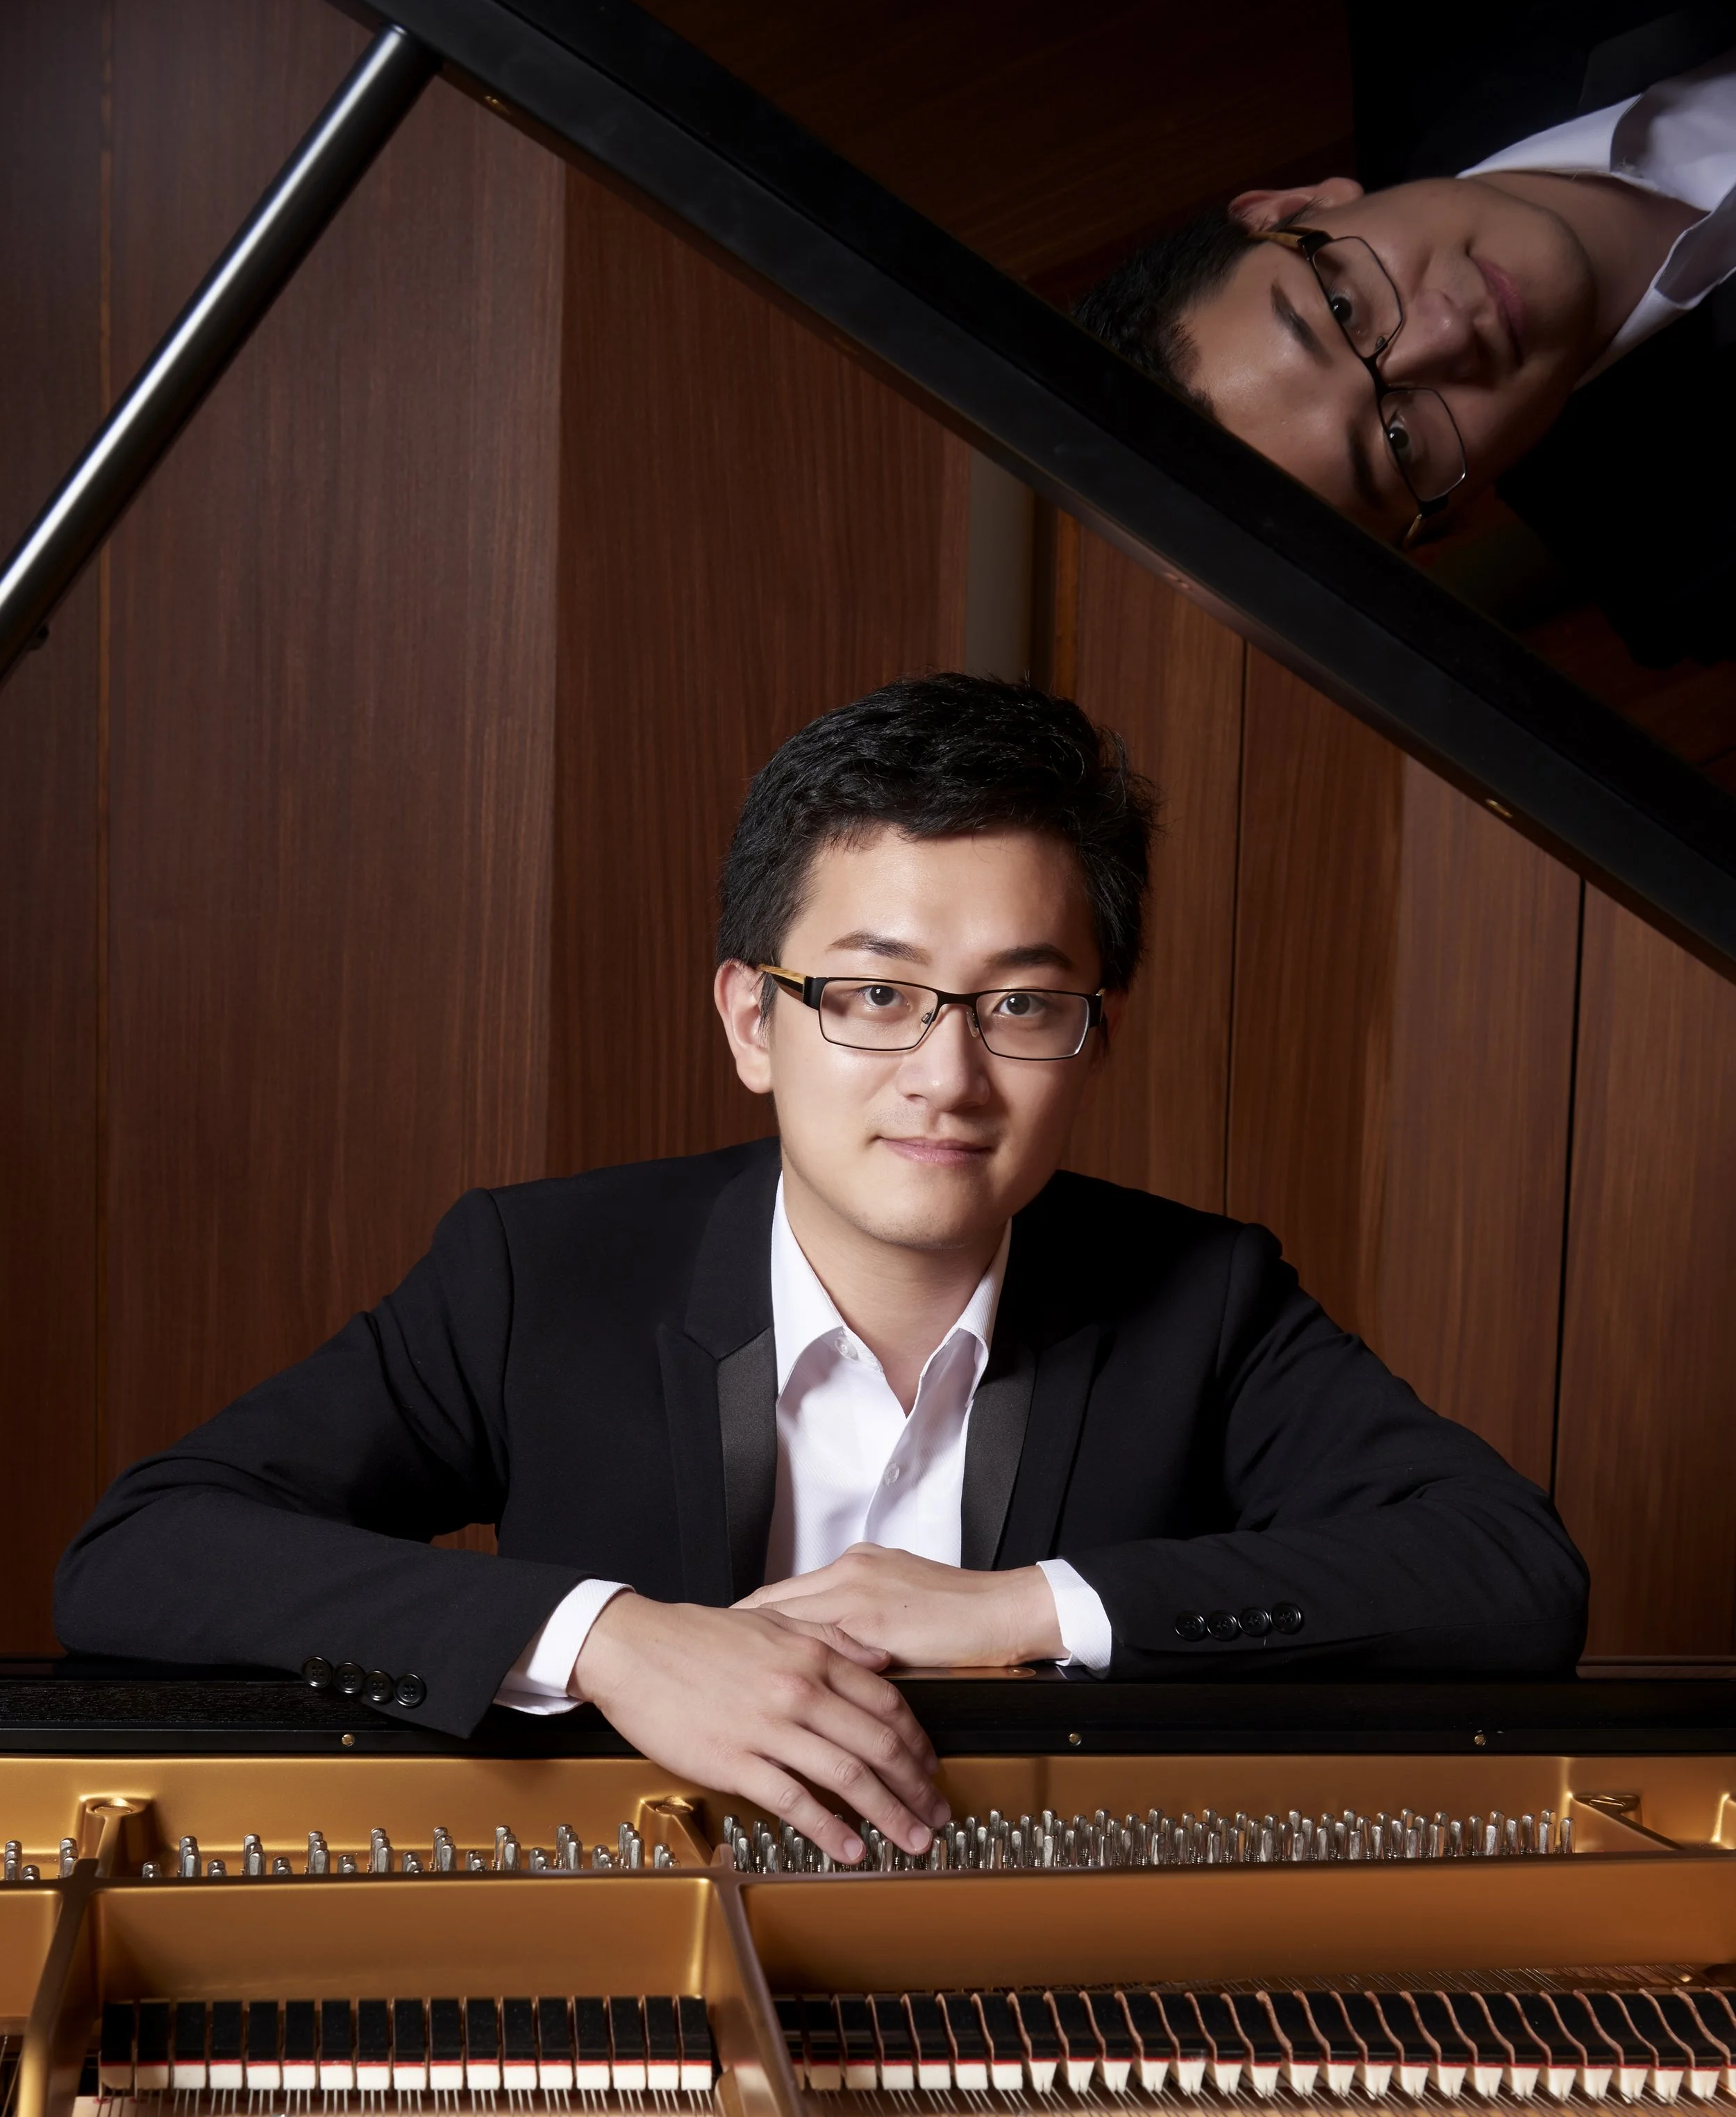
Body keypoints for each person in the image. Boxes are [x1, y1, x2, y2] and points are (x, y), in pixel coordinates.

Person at [56, 675, 1587, 1857]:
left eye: (1020, 1005)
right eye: (872, 994)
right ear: (748, 1020)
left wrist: (1022, 1607)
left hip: (1049, 2015)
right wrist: (607, 1638)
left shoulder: (1204, 1299)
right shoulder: (539, 1271)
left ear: (1087, 1039)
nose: (945, 1075)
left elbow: (1507, 1573)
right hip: (619, 1999)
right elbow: (144, 1549)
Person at [1075, 0, 1736, 667]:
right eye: (1398, 440)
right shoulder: (1701, 576)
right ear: (1454, 509)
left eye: (1344, 310)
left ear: (1292, 208)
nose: (1443, 331)